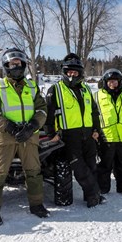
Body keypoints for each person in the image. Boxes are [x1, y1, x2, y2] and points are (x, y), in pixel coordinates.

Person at [0, 48, 49, 226]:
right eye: (13, 64)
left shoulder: (32, 87)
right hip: (6, 137)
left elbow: (42, 110)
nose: (16, 67)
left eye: (19, 63)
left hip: (29, 136)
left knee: (34, 172)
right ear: (6, 66)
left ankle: (36, 205)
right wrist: (10, 127)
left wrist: (33, 126)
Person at [45, 53, 105, 207]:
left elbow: (94, 111)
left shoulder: (86, 89)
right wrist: (51, 134)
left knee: (92, 165)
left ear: (80, 73)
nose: (72, 75)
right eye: (69, 72)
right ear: (64, 72)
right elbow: (49, 115)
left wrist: (97, 129)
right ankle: (94, 193)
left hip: (88, 133)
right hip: (69, 136)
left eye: (75, 72)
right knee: (79, 168)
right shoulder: (55, 89)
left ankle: (90, 195)